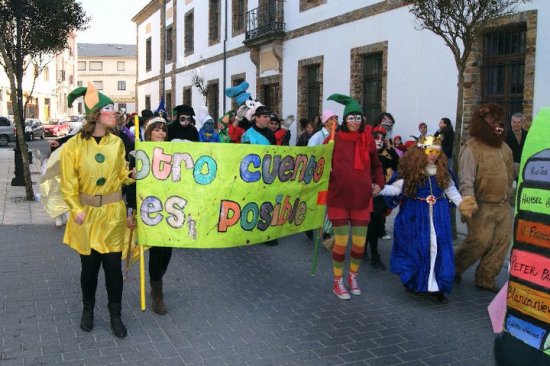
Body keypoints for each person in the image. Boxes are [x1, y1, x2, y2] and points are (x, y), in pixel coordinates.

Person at [61, 83, 136, 338]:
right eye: (109, 110)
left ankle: (116, 314)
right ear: (95, 115)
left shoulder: (118, 143)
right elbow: (68, 181)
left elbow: (121, 174)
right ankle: (88, 309)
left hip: (113, 215)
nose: (114, 113)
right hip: (87, 215)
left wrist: (132, 175)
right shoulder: (74, 146)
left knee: (113, 268)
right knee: (89, 268)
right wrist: (75, 208)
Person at [377, 135, 463, 303]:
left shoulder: (443, 172)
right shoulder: (410, 173)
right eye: (430, 151)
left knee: (439, 250)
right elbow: (395, 190)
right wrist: (378, 189)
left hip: (439, 216)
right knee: (419, 250)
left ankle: (436, 287)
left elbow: (451, 191)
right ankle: (416, 282)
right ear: (421, 152)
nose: (434, 155)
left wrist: (464, 205)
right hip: (415, 216)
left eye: (437, 152)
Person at [326, 94, 385, 300]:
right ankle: (338, 281)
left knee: (359, 244)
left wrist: (379, 184)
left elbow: (377, 166)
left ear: (362, 120)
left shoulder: (367, 139)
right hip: (338, 198)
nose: (354, 122)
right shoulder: (334, 138)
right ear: (344, 120)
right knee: (341, 243)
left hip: (361, 199)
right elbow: (319, 163)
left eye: (358, 118)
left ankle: (352, 277)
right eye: (351, 118)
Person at [454, 104, 514, 293]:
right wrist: (468, 200)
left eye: (500, 121)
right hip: (482, 206)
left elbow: (510, 173)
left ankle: (486, 278)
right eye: (493, 120)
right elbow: (466, 178)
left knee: (501, 242)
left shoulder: (505, 148)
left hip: (503, 206)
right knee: (479, 241)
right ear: (483, 123)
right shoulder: (472, 147)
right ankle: (453, 268)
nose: (498, 124)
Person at [126, 117, 173, 315]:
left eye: (163, 130)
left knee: (167, 250)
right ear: (149, 133)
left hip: (171, 208)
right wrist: (131, 210)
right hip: (149, 208)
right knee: (156, 249)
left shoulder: (174, 153)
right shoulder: (139, 153)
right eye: (157, 130)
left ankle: (157, 279)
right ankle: (157, 292)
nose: (161, 133)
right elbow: (131, 184)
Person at [365, 126, 399, 271]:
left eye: (381, 137)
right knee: (369, 222)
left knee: (376, 222)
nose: (378, 140)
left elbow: (397, 165)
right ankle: (373, 254)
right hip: (365, 192)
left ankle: (370, 251)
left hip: (381, 191)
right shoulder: (364, 149)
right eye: (376, 137)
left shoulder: (389, 151)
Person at [504, 112, 528, 178]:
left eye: (518, 122)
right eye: (514, 122)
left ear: (522, 123)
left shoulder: (527, 135)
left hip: (524, 165)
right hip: (509, 166)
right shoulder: (505, 135)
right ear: (511, 122)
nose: (516, 124)